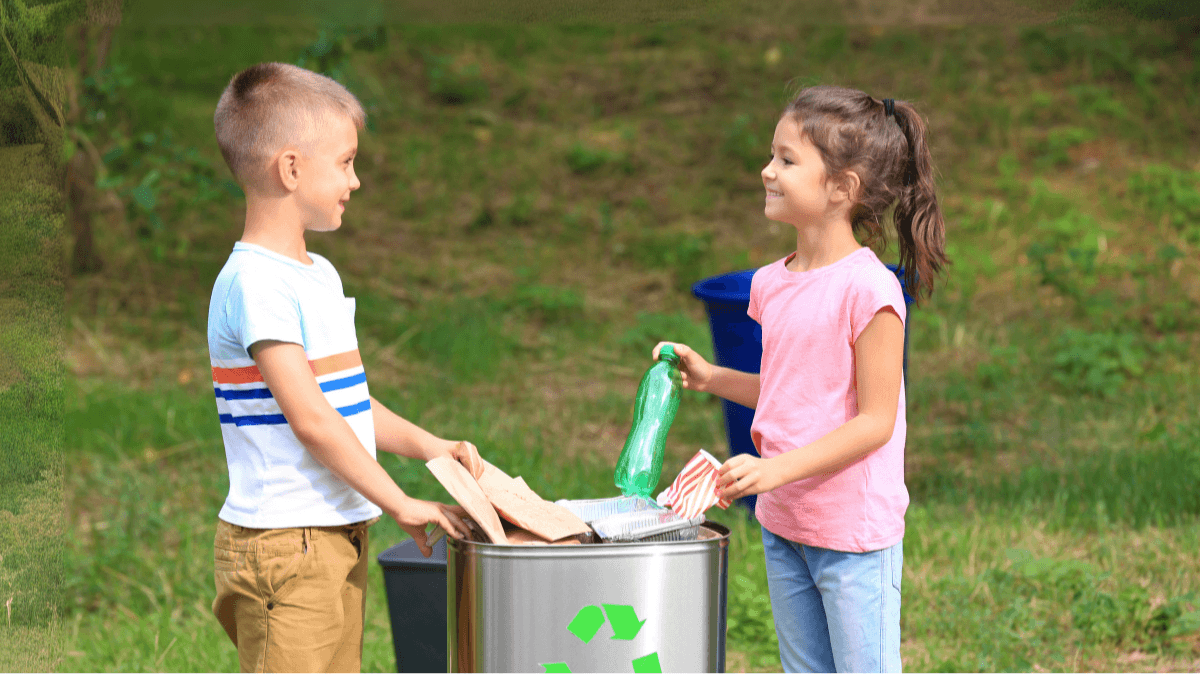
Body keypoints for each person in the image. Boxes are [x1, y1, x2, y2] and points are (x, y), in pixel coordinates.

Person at [654, 85, 946, 673]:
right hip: (784, 524)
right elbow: (794, 391)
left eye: (787, 160)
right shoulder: (769, 284)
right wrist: (712, 378)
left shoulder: (871, 292)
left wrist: (772, 469)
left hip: (854, 537)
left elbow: (874, 422)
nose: (767, 171)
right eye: (771, 155)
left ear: (843, 188)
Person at [206, 62, 481, 673]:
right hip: (284, 545)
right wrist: (401, 503)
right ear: (291, 167)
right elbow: (311, 419)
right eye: (346, 162)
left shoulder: (317, 275)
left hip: (333, 535)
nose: (355, 180)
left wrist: (431, 447)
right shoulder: (255, 284)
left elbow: (347, 402)